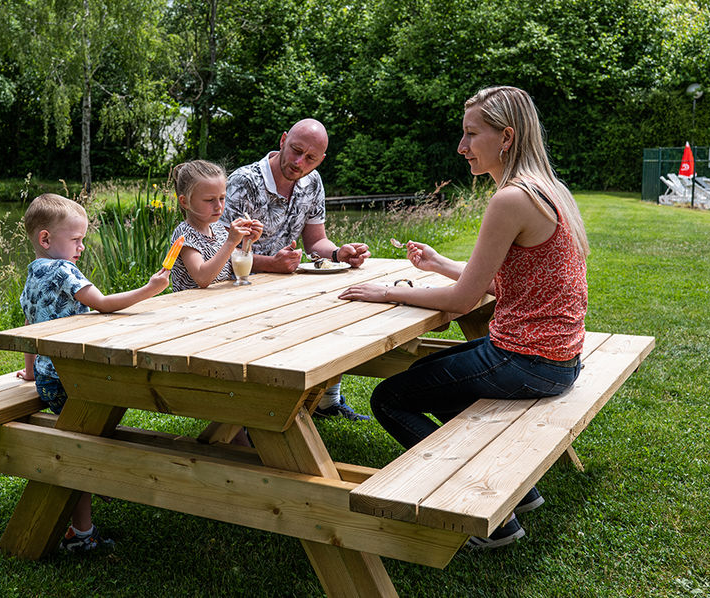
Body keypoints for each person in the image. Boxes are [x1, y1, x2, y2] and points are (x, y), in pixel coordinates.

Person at [339, 86, 589, 549]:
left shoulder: (511, 199)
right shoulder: (548, 189)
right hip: (558, 357)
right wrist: (438, 265)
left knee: (391, 398)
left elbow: (460, 301)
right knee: (426, 376)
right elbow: (499, 281)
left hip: (530, 360)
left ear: (507, 137)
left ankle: (485, 517)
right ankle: (521, 493)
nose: (462, 147)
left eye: (471, 134)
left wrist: (385, 292)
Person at [16, 193, 170, 552]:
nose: (81, 247)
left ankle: (101, 479)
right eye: (76, 239)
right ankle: (81, 534)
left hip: (49, 378)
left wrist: (30, 372)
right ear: (45, 239)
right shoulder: (62, 270)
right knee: (83, 443)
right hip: (74, 377)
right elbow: (102, 304)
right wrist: (150, 290)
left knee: (92, 429)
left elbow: (27, 327)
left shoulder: (32, 275)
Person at [220, 118, 371, 421]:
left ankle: (327, 401)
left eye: (310, 158)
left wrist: (340, 253)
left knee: (338, 304)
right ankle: (254, 415)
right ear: (283, 140)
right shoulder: (244, 181)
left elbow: (317, 241)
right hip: (238, 286)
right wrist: (270, 265)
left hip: (286, 281)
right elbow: (220, 251)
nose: (299, 162)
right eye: (296, 150)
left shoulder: (312, 182)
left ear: (321, 160)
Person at [168, 160, 263, 291]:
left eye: (222, 198)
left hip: (218, 301)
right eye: (209, 200)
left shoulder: (218, 229)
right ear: (185, 202)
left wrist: (247, 242)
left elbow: (239, 267)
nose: (218, 206)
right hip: (191, 305)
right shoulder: (185, 234)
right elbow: (202, 278)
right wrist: (231, 242)